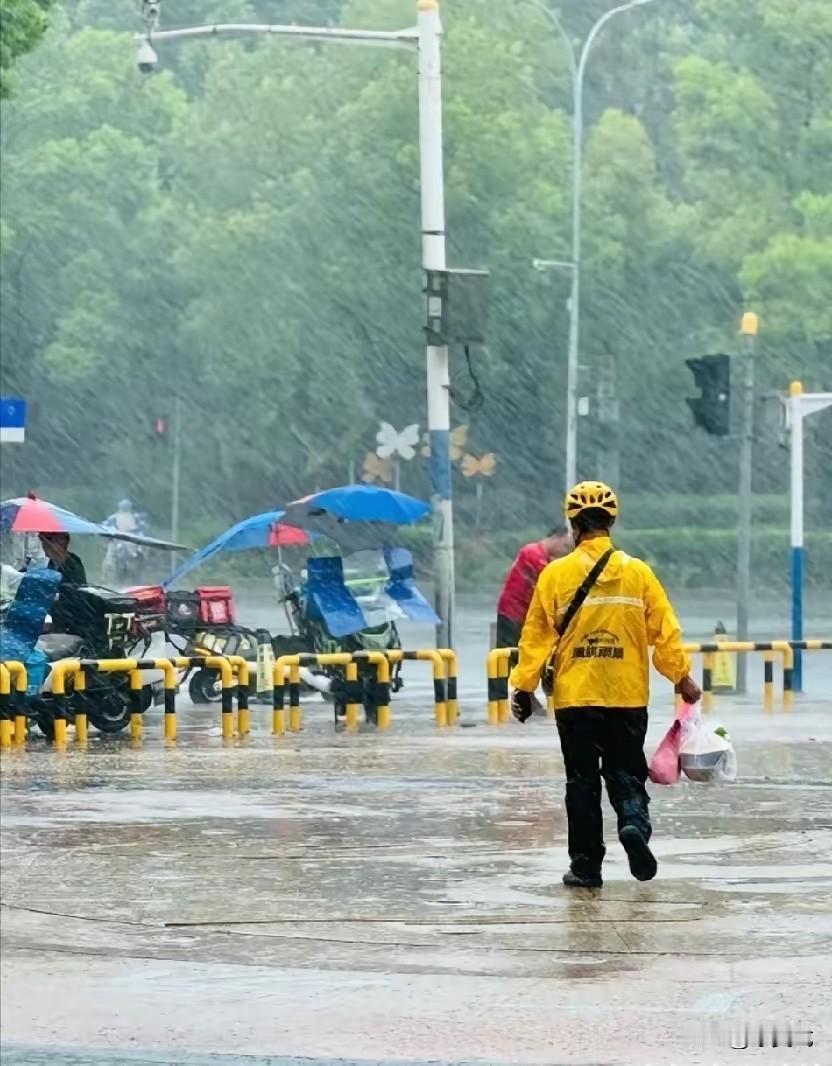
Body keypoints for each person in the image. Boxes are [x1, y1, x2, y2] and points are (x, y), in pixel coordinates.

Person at [509, 481, 701, 889]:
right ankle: (633, 822)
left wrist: (523, 687)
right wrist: (681, 677)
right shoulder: (638, 573)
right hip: (626, 696)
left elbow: (535, 638)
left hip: (576, 698)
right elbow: (665, 631)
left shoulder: (555, 575)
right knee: (625, 773)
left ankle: (586, 867)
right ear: (611, 521)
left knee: (581, 780)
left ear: (574, 525)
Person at [496, 527, 571, 649]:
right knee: (508, 655)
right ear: (556, 538)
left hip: (524, 616)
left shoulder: (542, 558)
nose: (565, 551)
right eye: (565, 546)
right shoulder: (532, 552)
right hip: (512, 613)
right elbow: (551, 580)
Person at [38, 532, 88, 634]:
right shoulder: (51, 565)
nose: (44, 546)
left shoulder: (73, 565)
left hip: (73, 627)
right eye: (42, 541)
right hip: (55, 622)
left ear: (62, 541)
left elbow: (76, 599)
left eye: (47, 541)